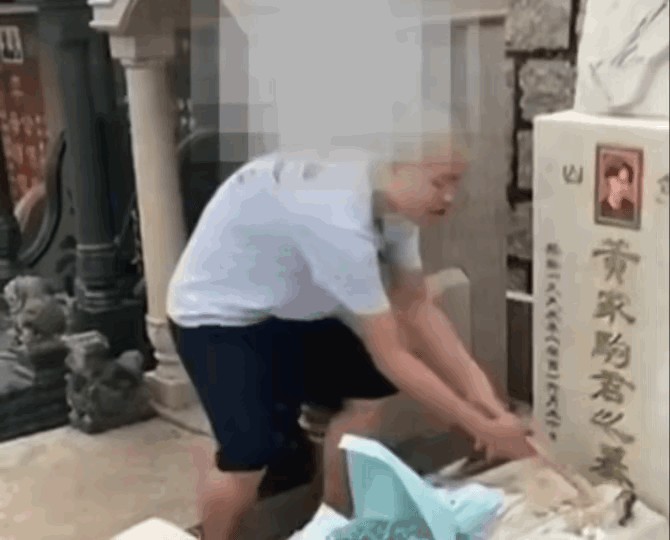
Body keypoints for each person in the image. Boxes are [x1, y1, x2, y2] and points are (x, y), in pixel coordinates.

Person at [167, 133, 536, 539]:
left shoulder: (393, 205)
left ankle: (333, 517)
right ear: (396, 166)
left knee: (368, 388)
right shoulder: (337, 218)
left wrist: (487, 403)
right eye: (439, 182)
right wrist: (481, 427)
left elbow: (417, 306)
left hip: (282, 306)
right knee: (249, 455)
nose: (450, 196)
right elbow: (391, 356)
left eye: (456, 182)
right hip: (214, 314)